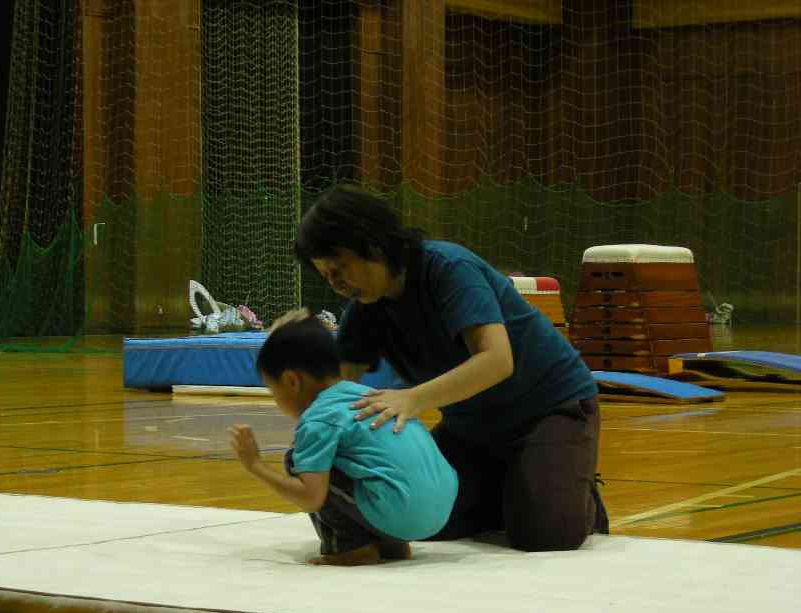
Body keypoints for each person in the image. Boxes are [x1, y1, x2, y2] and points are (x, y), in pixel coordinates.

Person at [294, 186, 608, 552]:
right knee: (420, 519)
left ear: (372, 245)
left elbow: (497, 360)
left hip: (550, 409)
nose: (334, 283)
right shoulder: (364, 308)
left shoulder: (448, 268)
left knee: (546, 533)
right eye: (326, 276)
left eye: (339, 269)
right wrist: (290, 350)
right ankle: (515, 485)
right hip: (471, 428)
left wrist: (412, 399)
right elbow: (334, 393)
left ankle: (567, 490)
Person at [228, 312, 458, 566]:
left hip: (400, 514)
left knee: (297, 460)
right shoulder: (372, 395)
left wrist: (256, 466)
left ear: (291, 381)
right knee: (356, 463)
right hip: (441, 513)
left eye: (273, 391)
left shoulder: (318, 418)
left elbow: (310, 497)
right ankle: (391, 543)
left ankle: (350, 548)